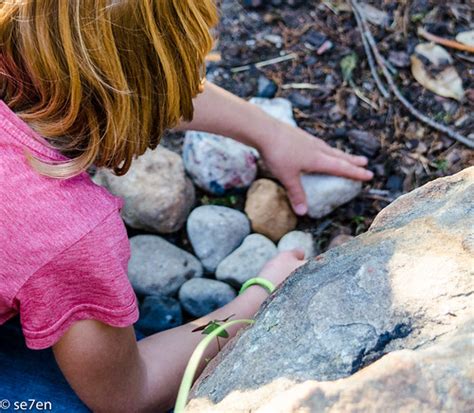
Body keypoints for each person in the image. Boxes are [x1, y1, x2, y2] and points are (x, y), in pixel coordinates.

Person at [0, 1, 373, 411]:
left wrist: (267, 131)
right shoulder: (67, 232)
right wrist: (257, 300)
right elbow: (129, 393)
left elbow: (130, 84)